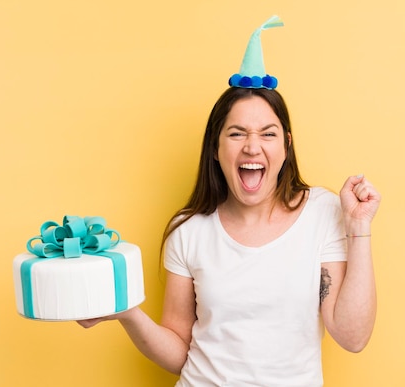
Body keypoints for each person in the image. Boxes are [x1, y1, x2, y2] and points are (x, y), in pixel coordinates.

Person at [78, 16, 381, 386]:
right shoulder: (188, 230)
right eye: (236, 133)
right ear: (216, 149)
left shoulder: (323, 212)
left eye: (267, 134)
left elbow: (352, 337)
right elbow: (179, 350)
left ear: (285, 146)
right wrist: (127, 313)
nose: (252, 146)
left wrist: (358, 229)